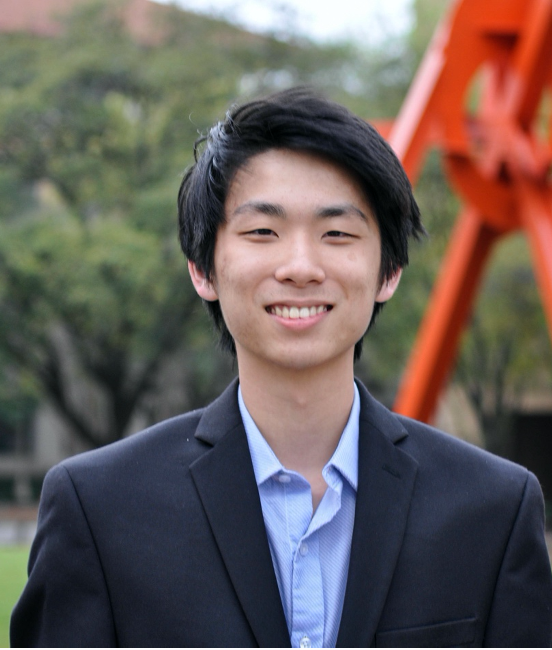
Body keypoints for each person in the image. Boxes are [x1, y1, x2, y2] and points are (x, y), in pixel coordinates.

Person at [11, 88, 552, 648]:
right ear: (203, 268)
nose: (300, 267)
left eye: (337, 234)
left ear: (389, 270)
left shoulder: (493, 510)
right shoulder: (99, 508)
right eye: (262, 232)